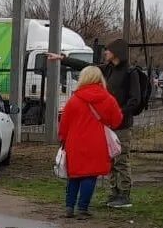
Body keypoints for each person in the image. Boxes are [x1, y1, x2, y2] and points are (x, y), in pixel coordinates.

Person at [47, 38, 141, 208]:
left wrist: (120, 113)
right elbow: (86, 67)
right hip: (108, 124)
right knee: (111, 160)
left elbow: (135, 99)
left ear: (116, 52)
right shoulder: (108, 69)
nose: (105, 52)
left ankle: (124, 194)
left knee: (121, 160)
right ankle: (114, 193)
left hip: (121, 125)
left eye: (108, 50)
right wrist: (63, 59)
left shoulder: (130, 72)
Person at [58, 66, 123, 218]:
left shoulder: (74, 99)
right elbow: (117, 120)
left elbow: (64, 123)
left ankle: (69, 207)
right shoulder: (107, 98)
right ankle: (82, 209)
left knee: (74, 175)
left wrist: (62, 139)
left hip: (74, 142)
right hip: (97, 142)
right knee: (90, 175)